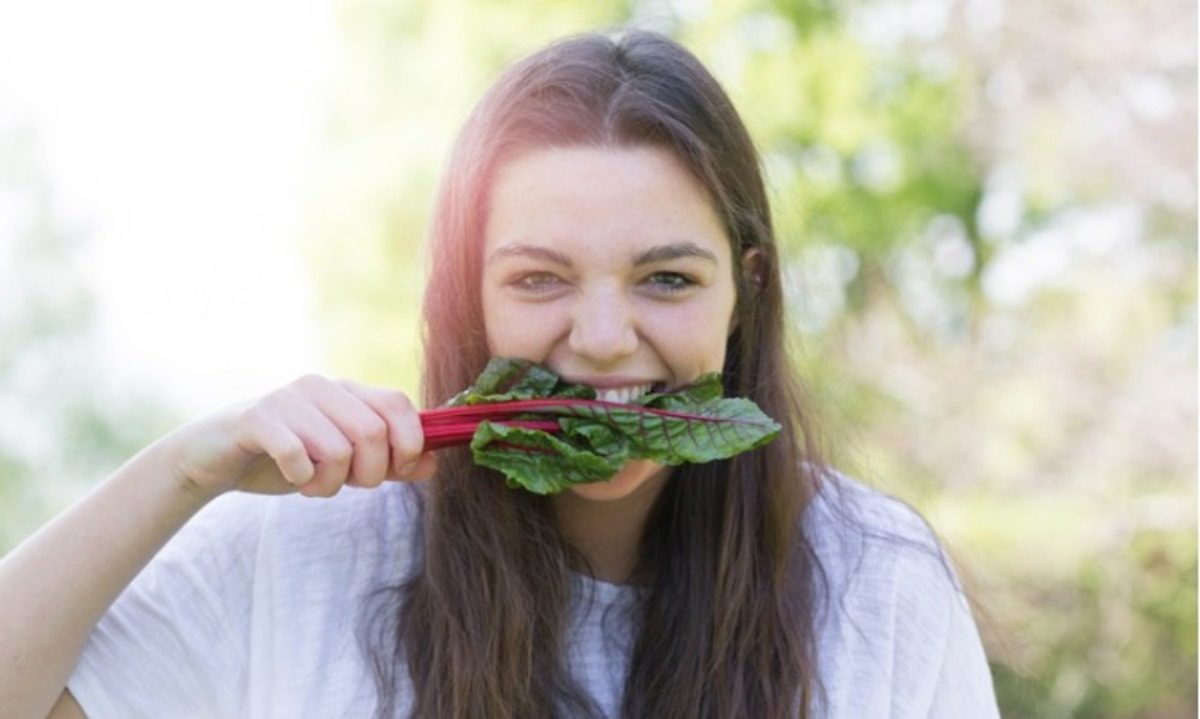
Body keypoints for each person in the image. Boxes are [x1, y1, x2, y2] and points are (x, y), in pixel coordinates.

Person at [0, 29, 1000, 718]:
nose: (604, 337)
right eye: (537, 277)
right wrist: (187, 466)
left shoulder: (876, 578)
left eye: (666, 277)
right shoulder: (297, 550)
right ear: (464, 298)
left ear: (745, 290)